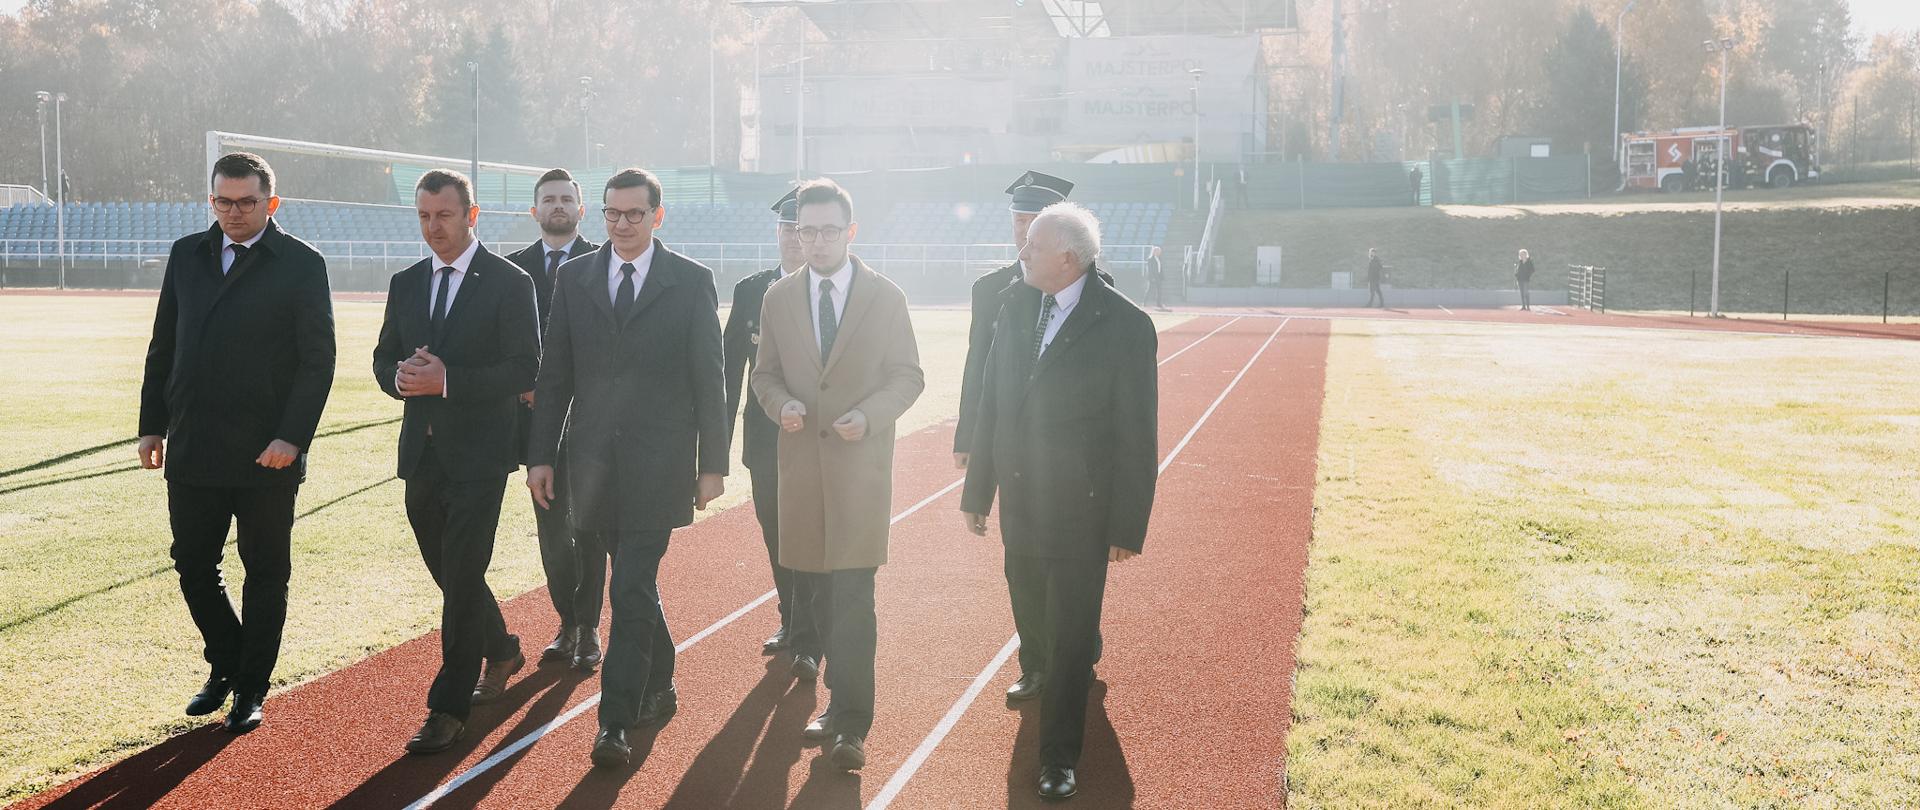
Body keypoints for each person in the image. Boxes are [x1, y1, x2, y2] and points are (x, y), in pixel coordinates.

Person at [527, 168, 729, 769]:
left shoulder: (691, 281)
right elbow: (555, 373)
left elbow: (709, 379)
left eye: (634, 215)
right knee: (635, 585)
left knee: (630, 584)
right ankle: (662, 681)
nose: (621, 224)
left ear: (657, 216)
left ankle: (614, 719)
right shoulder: (575, 277)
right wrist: (541, 454)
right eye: (613, 214)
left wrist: (711, 463)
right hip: (590, 464)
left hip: (660, 464)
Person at [961, 202, 1158, 801]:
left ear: (1068, 257)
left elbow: (1137, 434)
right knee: (1034, 621)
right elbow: (995, 401)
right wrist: (978, 489)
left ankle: (1058, 756)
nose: (1021, 251)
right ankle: (1040, 668)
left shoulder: (1124, 324)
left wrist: (1127, 524)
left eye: (1034, 245)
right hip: (1022, 501)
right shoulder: (1016, 304)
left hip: (1083, 510)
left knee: (1073, 637)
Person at [138, 151, 335, 734]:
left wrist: (291, 437)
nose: (233, 212)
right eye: (222, 201)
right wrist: (152, 423)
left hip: (266, 451)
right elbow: (163, 343)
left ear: (271, 203)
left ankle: (251, 687)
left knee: (265, 571)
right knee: (193, 564)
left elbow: (317, 360)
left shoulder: (301, 263)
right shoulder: (186, 255)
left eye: (246, 202)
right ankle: (227, 661)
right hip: (194, 442)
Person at [752, 178, 924, 772]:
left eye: (828, 230)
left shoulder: (886, 296)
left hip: (858, 473)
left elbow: (908, 376)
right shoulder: (777, 298)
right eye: (807, 230)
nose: (816, 241)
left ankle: (851, 720)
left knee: (855, 598)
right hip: (801, 474)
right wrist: (781, 407)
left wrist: (869, 415)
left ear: (851, 232)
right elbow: (763, 376)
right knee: (819, 598)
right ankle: (836, 704)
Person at [373, 169, 540, 754]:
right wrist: (397, 378)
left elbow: (525, 367)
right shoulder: (405, 281)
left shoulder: (510, 282)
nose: (432, 226)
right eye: (423, 216)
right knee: (450, 570)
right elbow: (383, 356)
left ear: (472, 216)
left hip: (481, 456)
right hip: (422, 453)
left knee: (462, 574)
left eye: (443, 215)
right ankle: (504, 648)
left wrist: (449, 382)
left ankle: (447, 707)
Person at [503, 169, 601, 668]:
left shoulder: (604, 263)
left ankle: (589, 626)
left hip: (590, 423)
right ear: (534, 210)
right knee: (551, 528)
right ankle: (567, 619)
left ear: (581, 210)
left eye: (567, 199)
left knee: (590, 526)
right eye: (549, 199)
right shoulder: (511, 269)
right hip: (533, 424)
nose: (558, 206)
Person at [724, 189, 812, 660]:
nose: (794, 239)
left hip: (816, 438)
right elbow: (729, 368)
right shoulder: (749, 290)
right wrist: (714, 448)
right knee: (774, 530)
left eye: (801, 230)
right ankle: (790, 616)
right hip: (763, 436)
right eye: (786, 229)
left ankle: (810, 632)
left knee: (811, 532)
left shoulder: (829, 291)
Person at [956, 171, 1073, 472]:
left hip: (1068, 433)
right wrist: (966, 435)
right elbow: (977, 364)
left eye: (1035, 222)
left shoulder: (1090, 287)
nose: (1025, 230)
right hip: (1006, 431)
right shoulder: (988, 289)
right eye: (1020, 221)